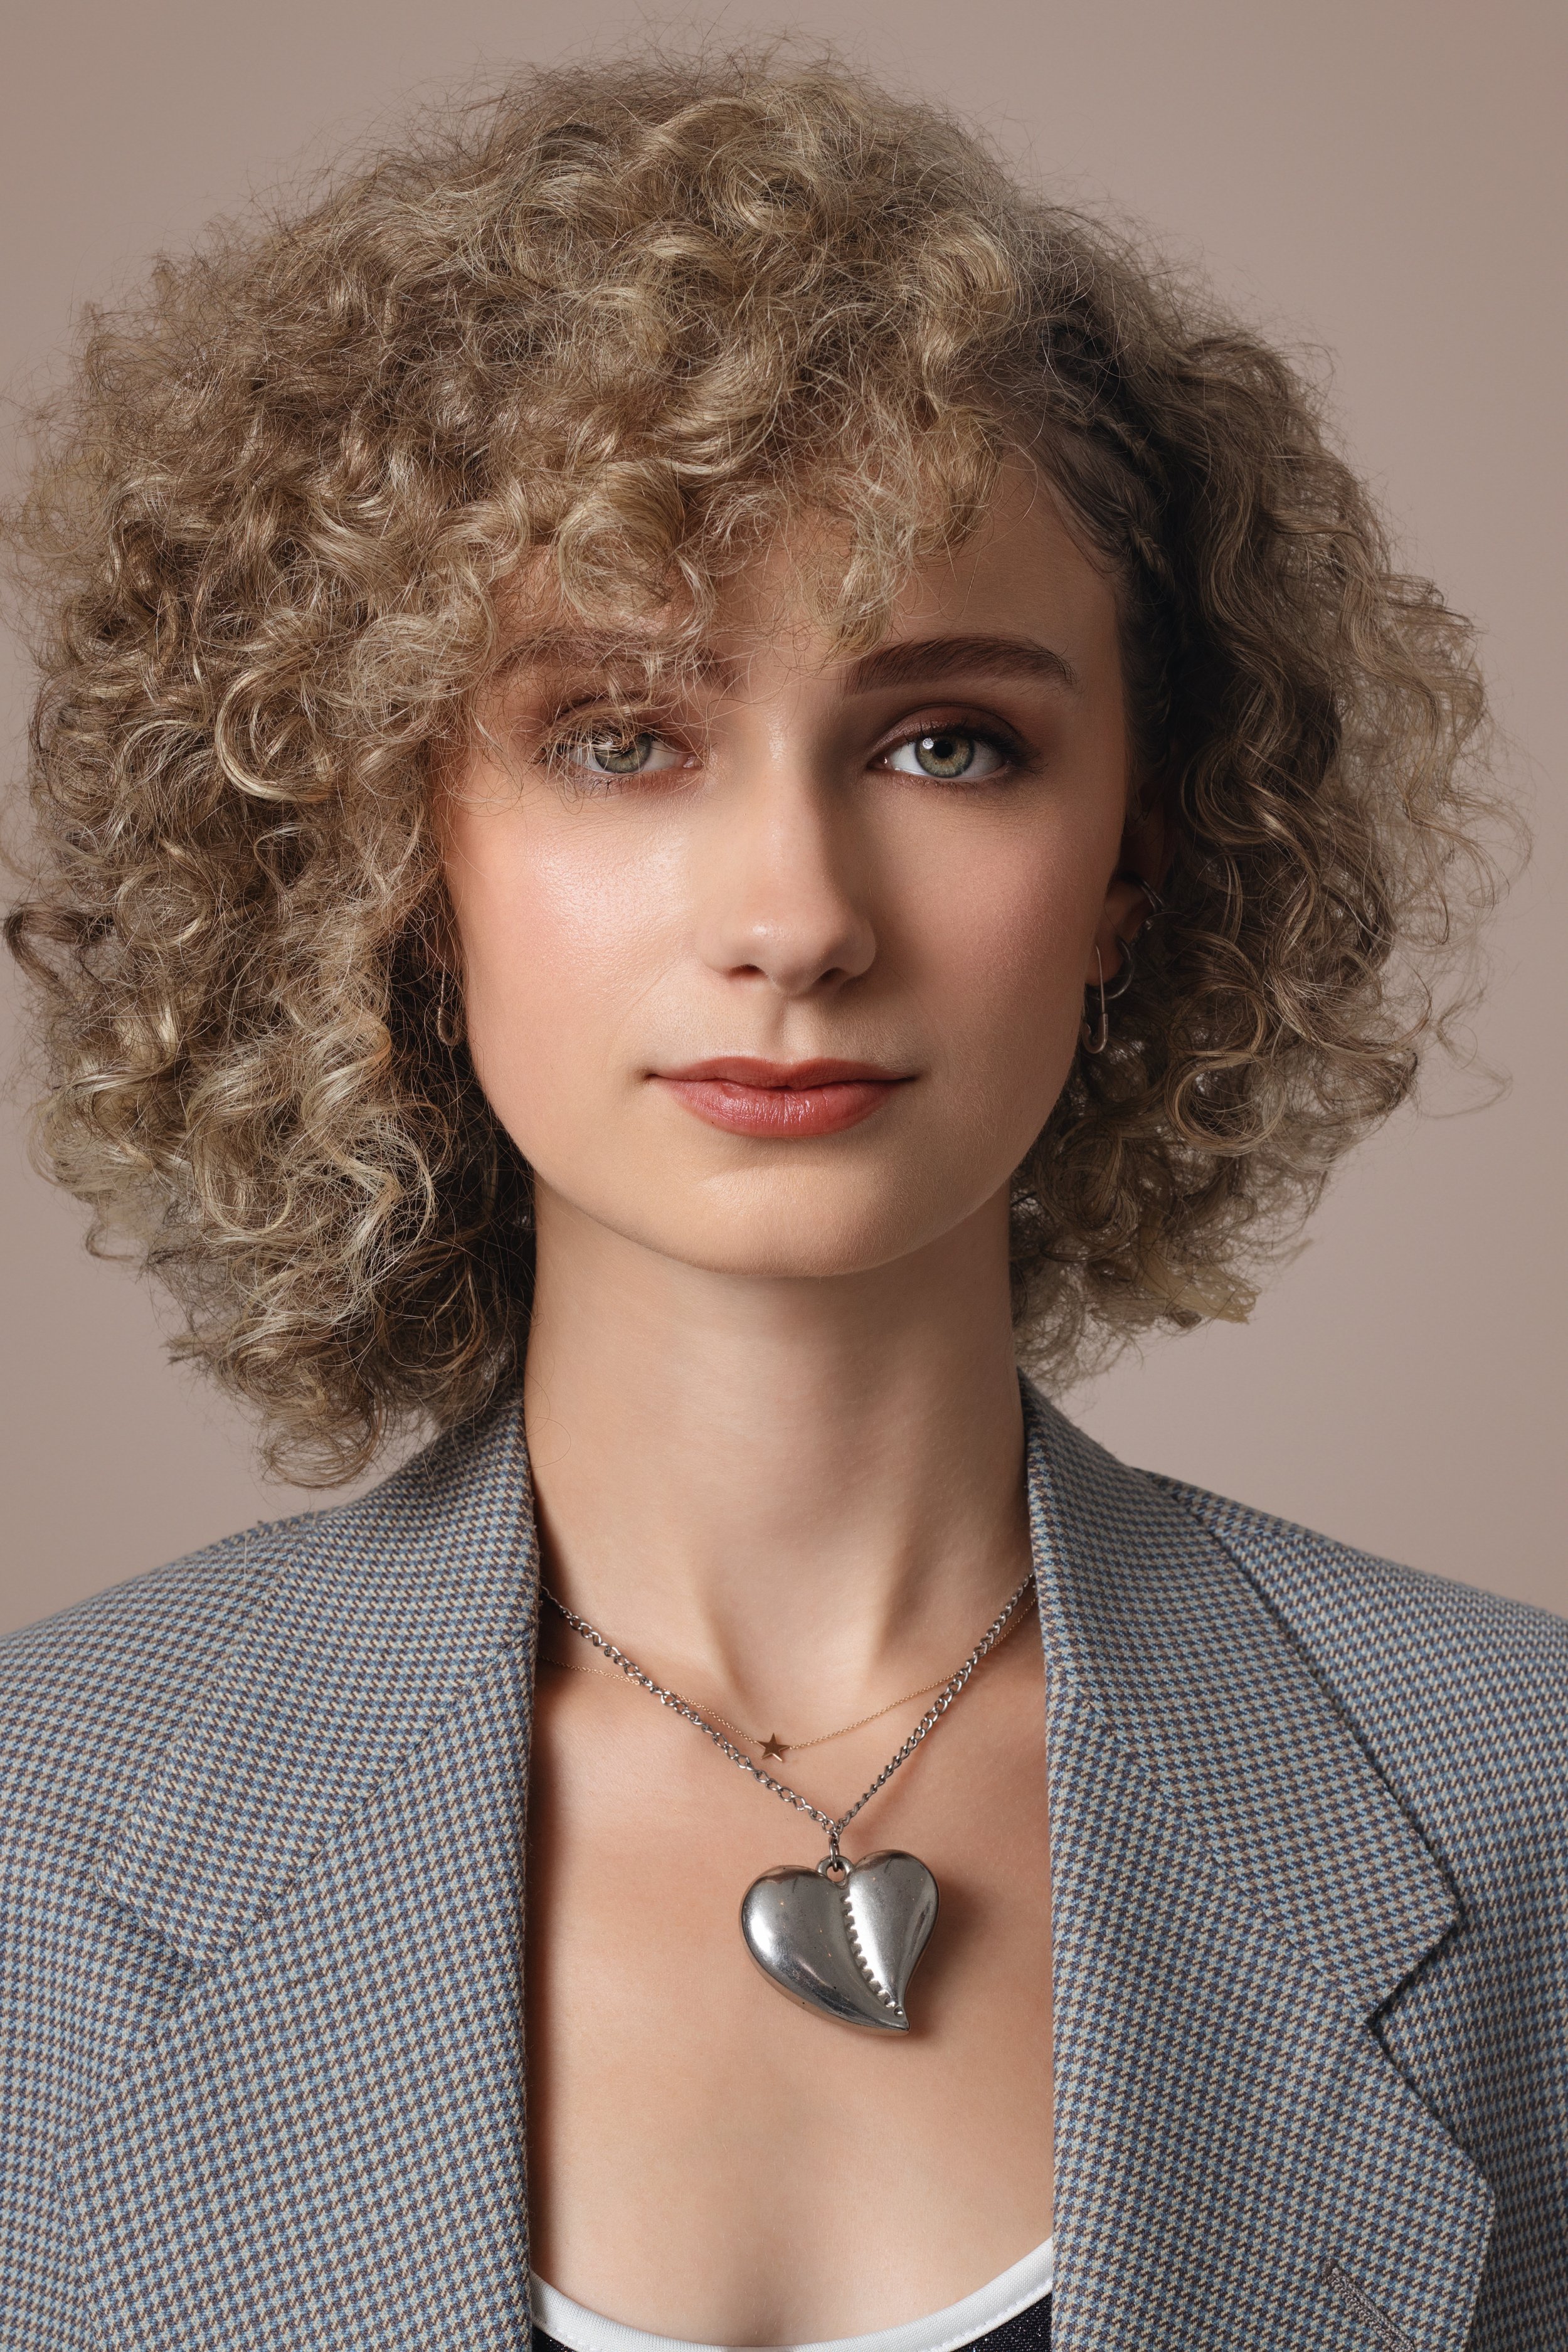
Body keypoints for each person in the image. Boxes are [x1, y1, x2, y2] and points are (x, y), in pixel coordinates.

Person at [1, 50, 1560, 2352]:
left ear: (1138, 856)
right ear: (392, 852)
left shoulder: (1521, 1806)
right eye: (620, 738)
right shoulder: (39, 1841)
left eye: (948, 742)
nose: (799, 917)